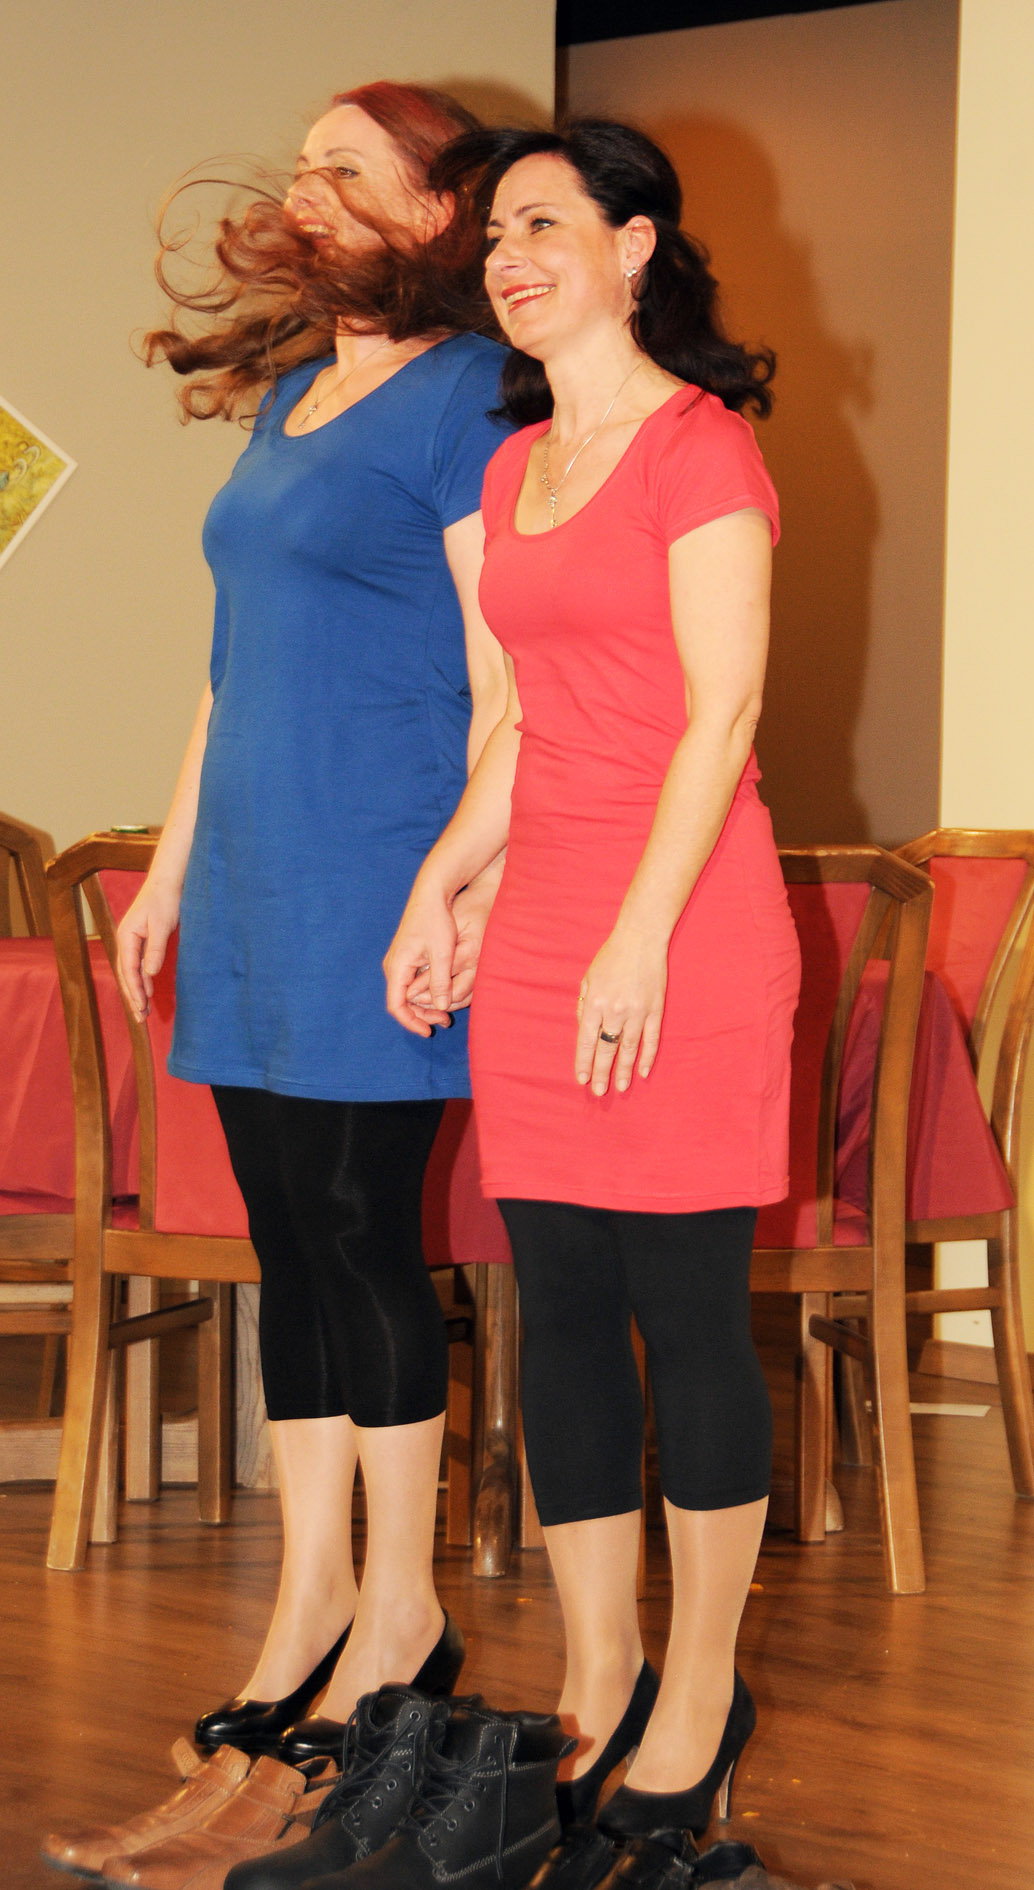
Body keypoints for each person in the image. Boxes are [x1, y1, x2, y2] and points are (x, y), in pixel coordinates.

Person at [385, 120, 801, 1890]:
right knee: (552, 1305)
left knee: (684, 1312)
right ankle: (599, 1669)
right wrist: (444, 880)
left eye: (544, 222)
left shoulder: (703, 450)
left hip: (681, 921)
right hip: (549, 915)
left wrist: (638, 934)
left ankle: (699, 1692)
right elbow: (524, 722)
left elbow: (720, 715)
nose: (509, 254)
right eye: (495, 231)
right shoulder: (513, 469)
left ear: (634, 248)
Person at [116, 81, 510, 1765]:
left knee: (361, 1232)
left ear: (435, 211)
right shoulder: (288, 400)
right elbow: (230, 671)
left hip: (377, 867)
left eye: (345, 167)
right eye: (298, 167)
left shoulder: (473, 392)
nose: (304, 190)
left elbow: (507, 673)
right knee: (288, 1246)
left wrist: (462, 880)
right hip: (256, 877)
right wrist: (171, 868)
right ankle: (311, 1600)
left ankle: (401, 1610)